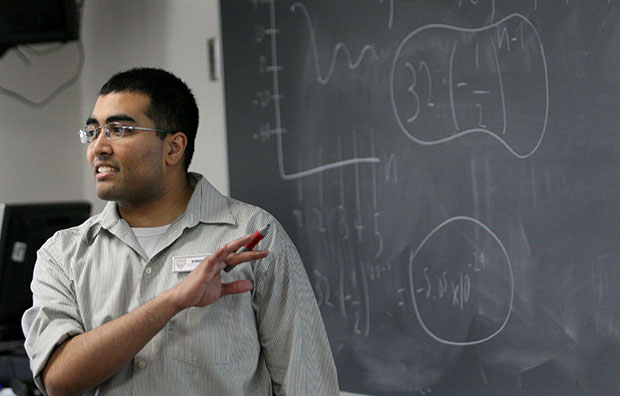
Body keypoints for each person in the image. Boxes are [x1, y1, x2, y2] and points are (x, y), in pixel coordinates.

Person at [21, 67, 339, 396]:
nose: (98, 147)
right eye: (93, 132)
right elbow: (58, 379)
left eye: (118, 130)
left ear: (173, 148)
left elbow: (308, 383)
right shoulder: (65, 253)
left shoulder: (254, 234)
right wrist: (170, 303)